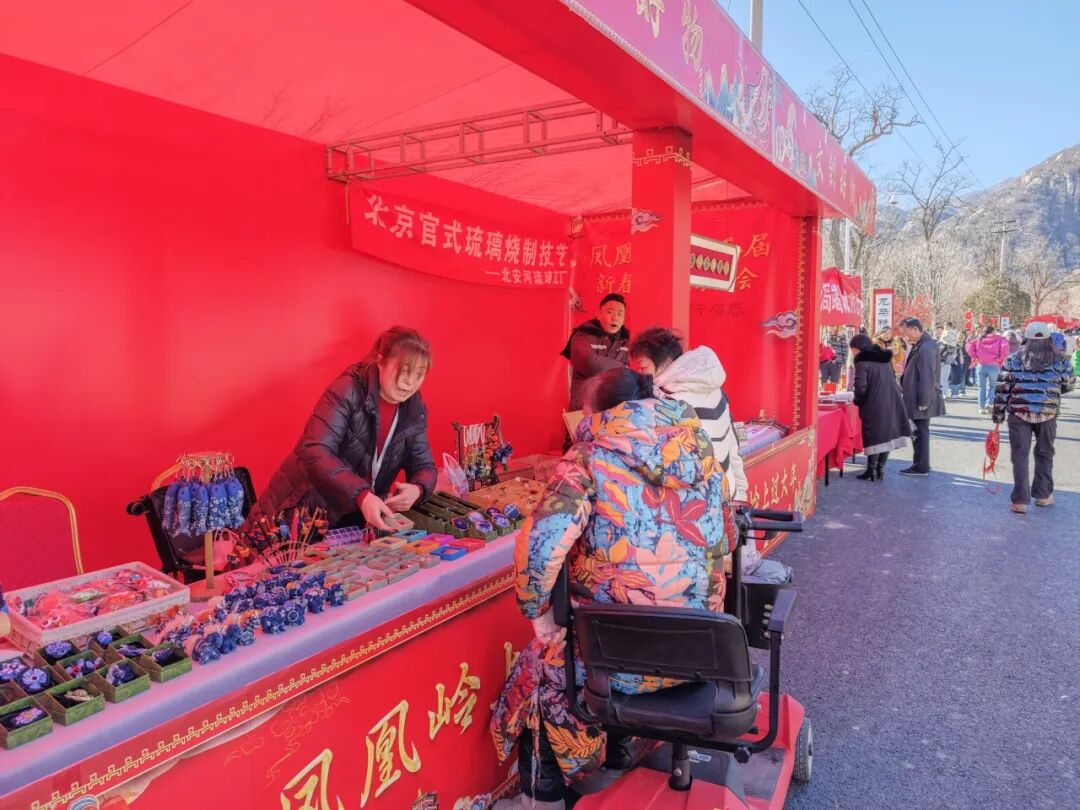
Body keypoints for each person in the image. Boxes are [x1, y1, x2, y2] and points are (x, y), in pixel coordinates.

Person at [491, 368, 728, 809]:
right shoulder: (701, 452)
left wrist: (538, 612)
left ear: (602, 413)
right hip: (703, 650)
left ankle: (549, 797)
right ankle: (620, 754)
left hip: (616, 656)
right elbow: (725, 536)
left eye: (583, 409)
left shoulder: (589, 458)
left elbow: (540, 545)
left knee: (542, 674)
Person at [249, 326, 436, 531]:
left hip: (355, 517)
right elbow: (315, 450)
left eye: (419, 374)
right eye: (404, 370)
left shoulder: (413, 408)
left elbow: (424, 465)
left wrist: (418, 489)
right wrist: (362, 495)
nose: (410, 382)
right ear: (380, 361)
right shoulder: (348, 389)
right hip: (303, 510)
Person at [629, 327, 748, 501]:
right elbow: (732, 446)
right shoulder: (716, 389)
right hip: (727, 491)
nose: (639, 374)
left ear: (666, 361)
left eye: (642, 367)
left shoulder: (671, 404)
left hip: (702, 500)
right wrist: (740, 495)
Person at [992, 322, 1075, 514]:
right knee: (1045, 453)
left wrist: (998, 415)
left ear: (1026, 339)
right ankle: (1043, 495)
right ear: (1048, 339)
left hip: (1019, 413)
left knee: (1020, 456)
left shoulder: (1013, 359)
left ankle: (1020, 501)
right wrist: (1051, 393)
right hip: (1048, 413)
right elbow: (1069, 385)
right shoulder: (1060, 360)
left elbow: (1003, 389)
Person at [849, 334, 911, 480]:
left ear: (859, 348)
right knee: (887, 435)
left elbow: (860, 386)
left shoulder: (862, 361)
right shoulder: (884, 358)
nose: (853, 352)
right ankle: (880, 469)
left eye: (853, 349)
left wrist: (857, 400)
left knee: (874, 434)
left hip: (874, 401)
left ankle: (871, 470)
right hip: (891, 399)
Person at [560, 294, 630, 413]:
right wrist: (622, 368)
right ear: (598, 314)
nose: (615, 318)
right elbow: (588, 362)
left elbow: (629, 375)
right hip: (583, 407)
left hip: (613, 408)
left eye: (620, 314)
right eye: (610, 312)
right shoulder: (582, 335)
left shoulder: (627, 340)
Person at [897, 317, 945, 476]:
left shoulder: (926, 347)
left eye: (906, 332)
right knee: (919, 430)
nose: (905, 336)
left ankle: (921, 466)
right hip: (917, 394)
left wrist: (924, 399)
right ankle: (921, 463)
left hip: (920, 396)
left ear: (915, 329)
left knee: (919, 431)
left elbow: (927, 375)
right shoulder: (923, 344)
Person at [966, 325, 1010, 414]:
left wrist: (975, 357)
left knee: (981, 387)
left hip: (981, 365)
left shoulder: (979, 339)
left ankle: (981, 408)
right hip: (994, 365)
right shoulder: (1000, 339)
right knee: (992, 386)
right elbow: (1005, 348)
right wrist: (1000, 359)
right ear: (993, 331)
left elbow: (968, 345)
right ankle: (989, 403)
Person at [939, 329, 961, 399]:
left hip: (946, 363)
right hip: (942, 363)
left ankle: (943, 393)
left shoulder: (953, 345)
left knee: (944, 379)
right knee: (943, 379)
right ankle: (942, 393)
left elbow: (954, 354)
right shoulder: (940, 343)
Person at [957, 330, 973, 396]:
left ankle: (962, 390)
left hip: (965, 360)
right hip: (956, 361)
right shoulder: (954, 343)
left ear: (965, 337)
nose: (961, 337)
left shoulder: (967, 344)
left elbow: (969, 353)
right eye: (960, 335)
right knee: (956, 375)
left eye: (962, 336)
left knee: (963, 375)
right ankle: (955, 390)